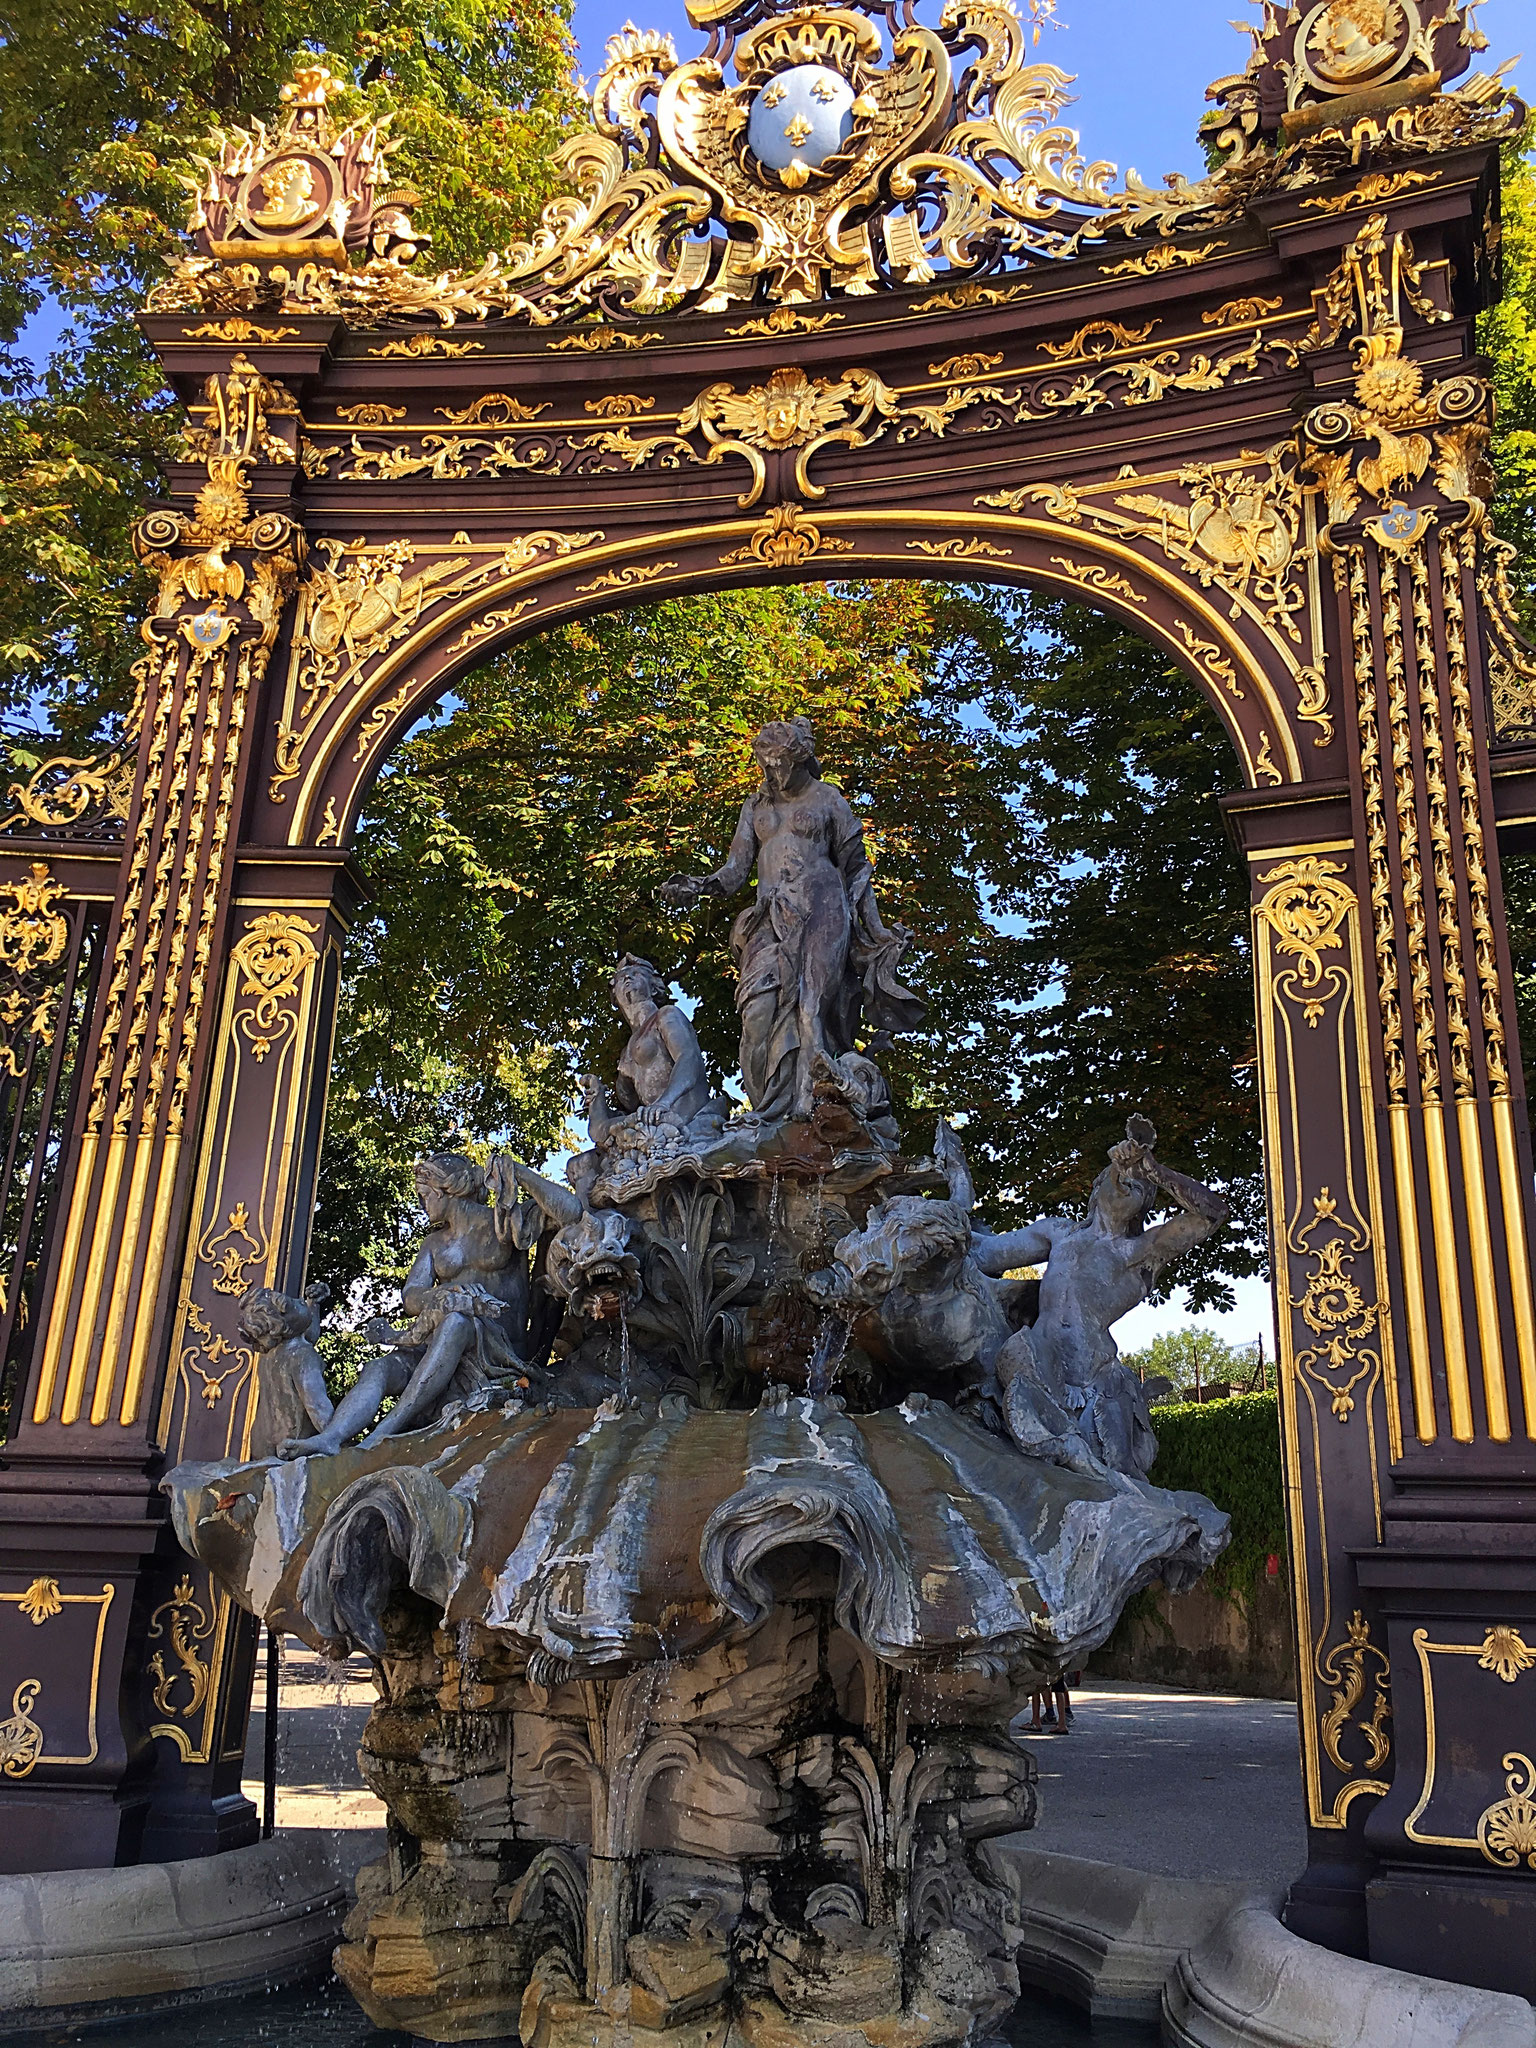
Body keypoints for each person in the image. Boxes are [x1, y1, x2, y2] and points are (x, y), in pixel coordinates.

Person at [661, 717, 923, 1121]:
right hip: (769, 915)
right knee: (756, 1013)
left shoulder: (827, 799)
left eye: (778, 763)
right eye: (764, 764)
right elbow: (735, 871)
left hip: (823, 907)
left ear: (801, 759)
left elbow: (856, 869)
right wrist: (697, 885)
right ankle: (767, 1111)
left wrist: (875, 929)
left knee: (810, 1008)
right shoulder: (756, 806)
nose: (771, 773)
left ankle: (808, 1109)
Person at [964, 1117, 1229, 1478]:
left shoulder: (1140, 1253)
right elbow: (985, 1254)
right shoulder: (1058, 1232)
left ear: (1142, 1204)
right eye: (1118, 1173)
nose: (1125, 1181)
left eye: (1137, 1186)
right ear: (1098, 1186)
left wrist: (1153, 1169)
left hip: (1092, 1385)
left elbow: (1212, 1214)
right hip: (1032, 1366)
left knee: (1114, 1483)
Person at [280, 1153, 541, 1456]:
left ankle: (380, 1436)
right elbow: (411, 1297)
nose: (422, 1204)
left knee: (457, 1321)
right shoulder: (433, 1243)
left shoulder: (502, 1221)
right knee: (380, 1368)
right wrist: (443, 1293)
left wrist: (517, 1173)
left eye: (425, 1195)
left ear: (448, 1190)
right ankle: (332, 1437)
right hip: (437, 1338)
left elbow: (567, 1211)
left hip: (496, 1344)